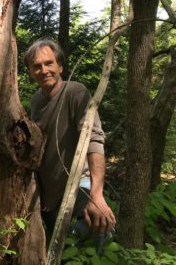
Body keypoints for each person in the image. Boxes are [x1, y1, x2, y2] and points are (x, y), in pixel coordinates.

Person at [24, 39, 116, 240]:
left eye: (49, 63)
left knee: (95, 242)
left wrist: (97, 196)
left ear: (60, 66)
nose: (44, 70)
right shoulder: (36, 100)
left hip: (79, 189)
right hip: (50, 197)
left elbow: (94, 142)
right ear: (31, 72)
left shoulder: (75, 92)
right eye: (37, 66)